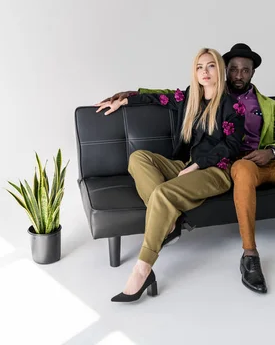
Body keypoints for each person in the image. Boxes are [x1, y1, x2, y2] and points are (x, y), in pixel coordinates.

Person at [96, 43, 275, 295]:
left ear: (251, 73)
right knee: (143, 160)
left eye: (244, 70)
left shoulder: (262, 105)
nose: (238, 74)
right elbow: (166, 97)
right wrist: (127, 97)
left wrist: (271, 151)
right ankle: (236, 250)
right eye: (233, 69)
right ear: (225, 71)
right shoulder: (200, 96)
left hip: (254, 163)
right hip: (232, 166)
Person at [96, 48, 245, 302]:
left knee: (164, 193)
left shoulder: (233, 107)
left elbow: (231, 147)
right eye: (199, 67)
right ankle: (170, 221)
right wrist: (125, 100)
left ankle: (142, 270)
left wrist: (197, 165)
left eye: (210, 66)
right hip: (184, 165)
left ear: (219, 69)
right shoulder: (190, 98)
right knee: (137, 158)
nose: (204, 72)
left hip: (216, 172)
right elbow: (158, 98)